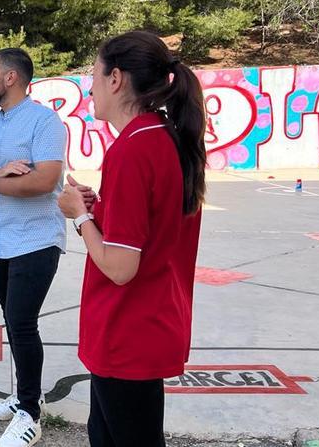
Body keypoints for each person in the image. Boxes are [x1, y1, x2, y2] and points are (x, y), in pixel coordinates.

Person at [57, 31, 206, 447]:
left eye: (95, 77)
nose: (90, 89)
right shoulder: (162, 134)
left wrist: (81, 216)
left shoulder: (132, 149)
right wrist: (100, 206)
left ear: (116, 78)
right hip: (144, 327)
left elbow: (121, 267)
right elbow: (150, 227)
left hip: (128, 332)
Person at [0, 48, 67, 447]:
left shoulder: (45, 122)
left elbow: (43, 181)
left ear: (10, 78)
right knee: (14, 321)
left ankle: (30, 415)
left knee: (22, 323)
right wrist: (0, 172)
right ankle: (27, 393)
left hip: (36, 240)